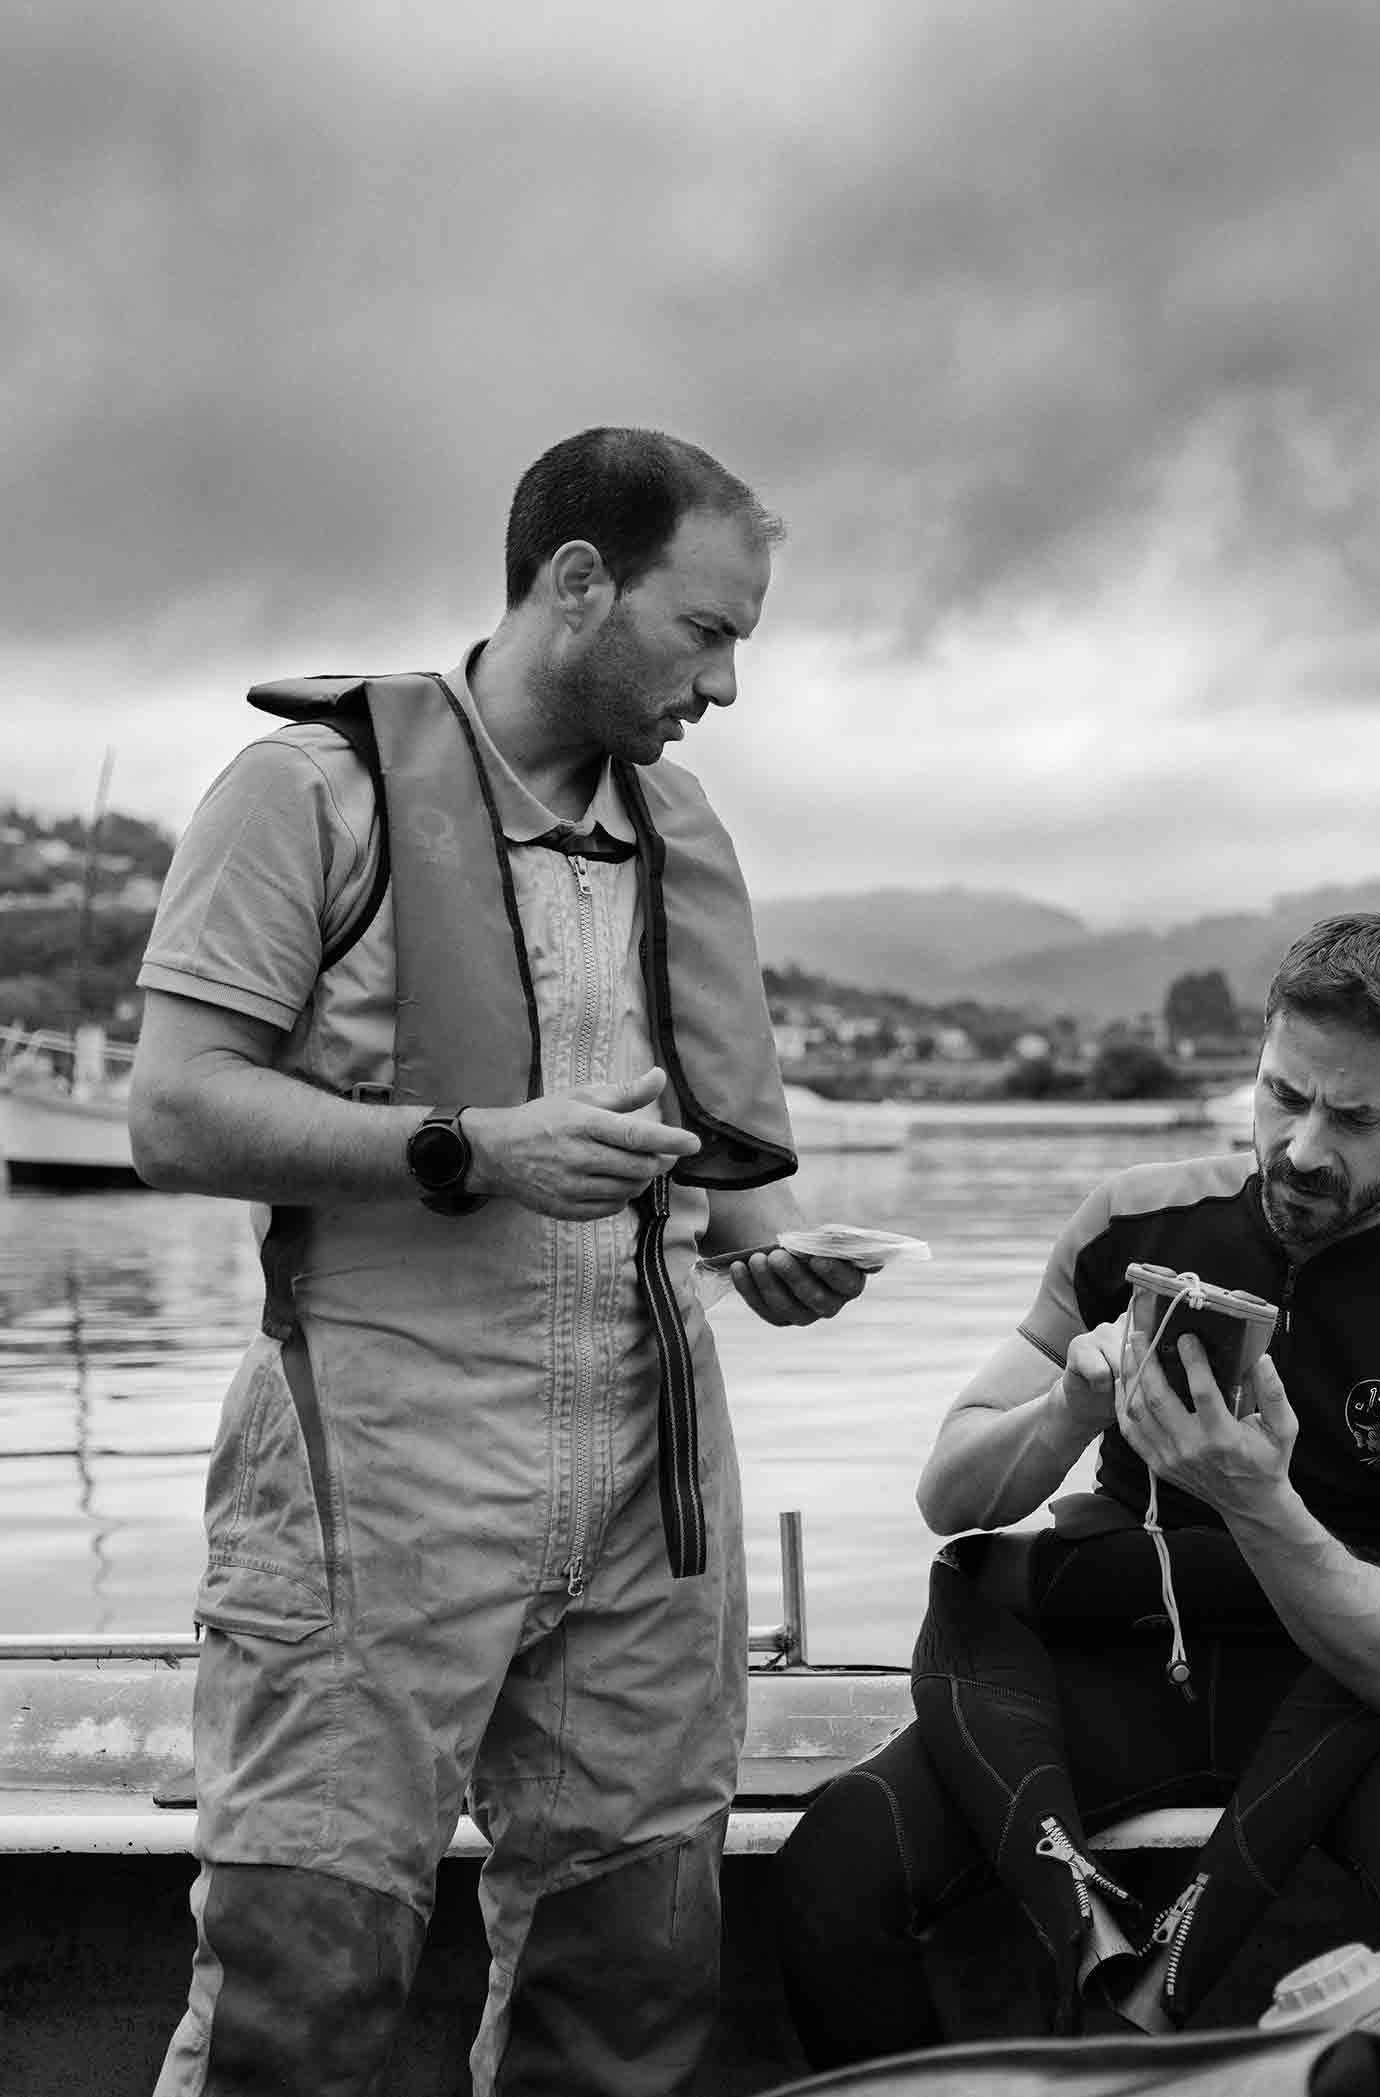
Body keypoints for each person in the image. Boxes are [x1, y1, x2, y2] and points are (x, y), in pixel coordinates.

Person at [129, 427, 870, 2097]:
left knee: (632, 1979)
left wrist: (772, 1254)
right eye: (708, 630)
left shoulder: (681, 835)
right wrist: (471, 1146)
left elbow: (723, 1188)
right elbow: (173, 1112)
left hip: (646, 1484)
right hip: (377, 1471)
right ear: (577, 584)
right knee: (299, 1991)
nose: (732, 683)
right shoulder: (309, 795)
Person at [769, 913, 1380, 2063]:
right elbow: (951, 1494)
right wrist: (1071, 1410)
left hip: (1345, 1687)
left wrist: (1256, 1498)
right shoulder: (1132, 1225)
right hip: (1126, 1651)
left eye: (1356, 1118)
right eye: (1283, 1094)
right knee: (835, 1865)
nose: (1299, 1148)